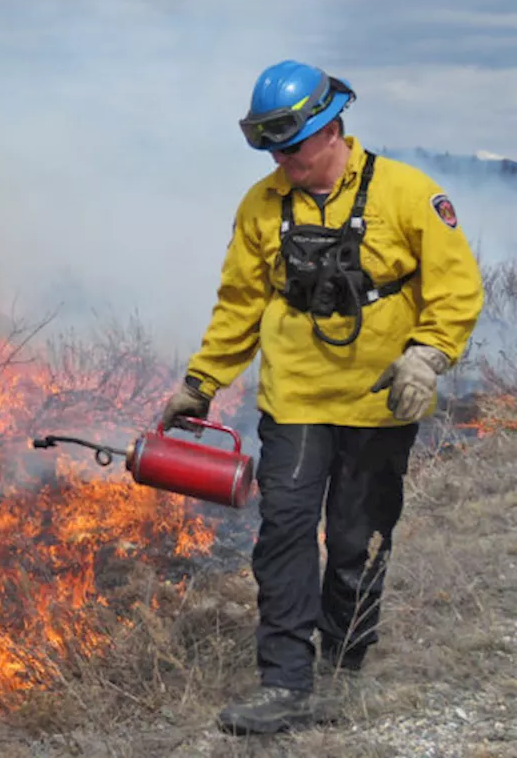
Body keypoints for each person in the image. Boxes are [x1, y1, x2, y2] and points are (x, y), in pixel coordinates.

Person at [161, 59, 485, 735]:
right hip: (296, 399)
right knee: (283, 532)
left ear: (332, 127)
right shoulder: (261, 205)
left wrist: (427, 356)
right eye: (272, 149)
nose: (283, 161)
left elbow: (456, 288)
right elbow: (239, 305)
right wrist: (201, 383)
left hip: (380, 402)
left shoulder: (406, 193)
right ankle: (284, 683)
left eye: (293, 146)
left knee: (354, 541)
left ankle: (343, 665)